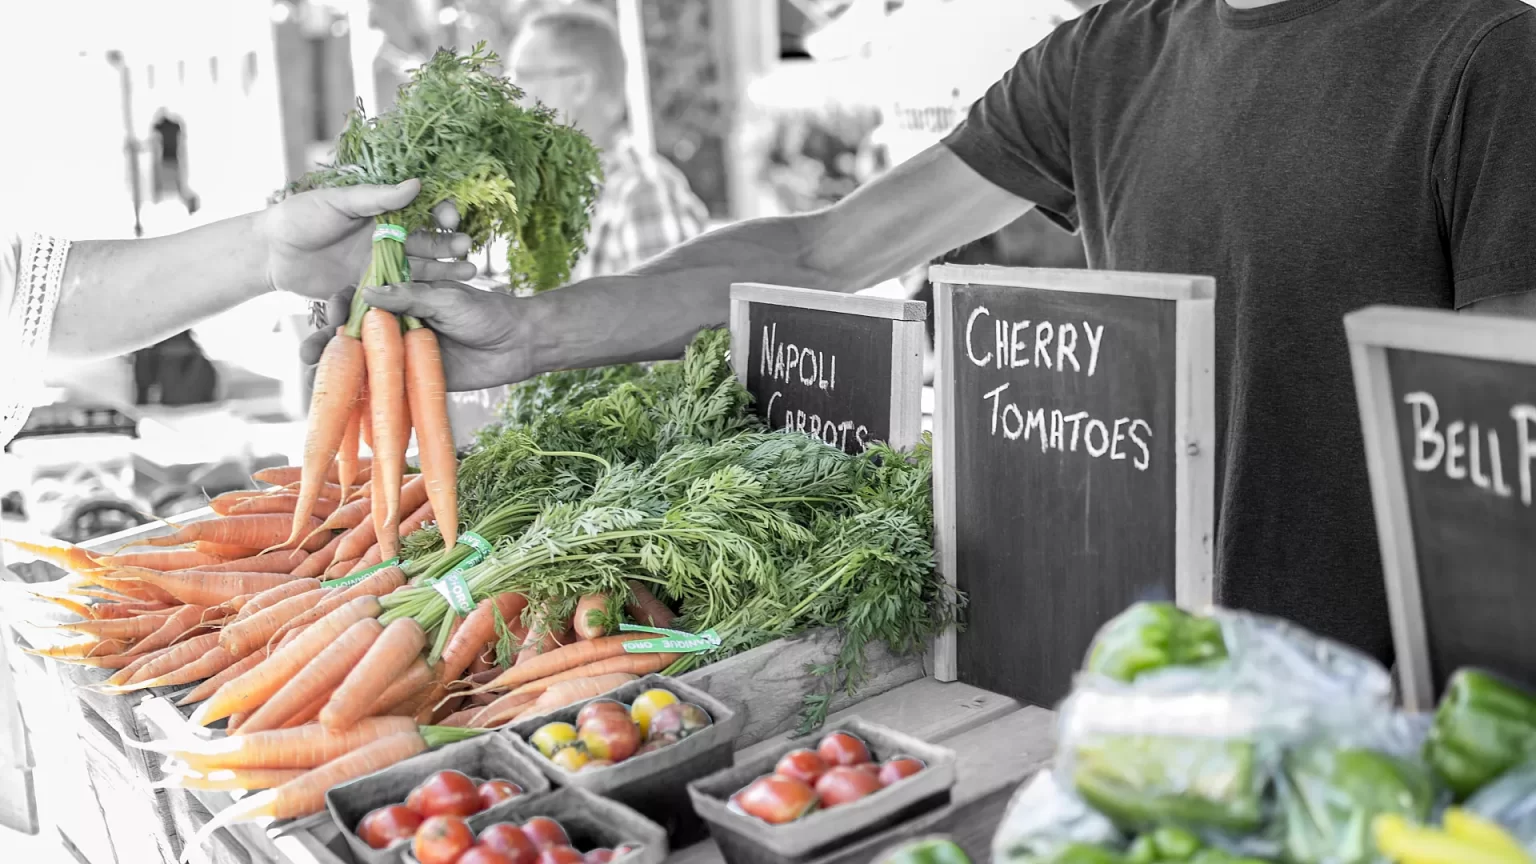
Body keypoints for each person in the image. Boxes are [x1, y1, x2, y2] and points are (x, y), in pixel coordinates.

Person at [316, 0, 1536, 664]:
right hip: (1158, 667)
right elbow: (824, 254)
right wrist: (526, 332)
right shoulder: (1108, 56)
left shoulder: (1483, 53)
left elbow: (1502, 451)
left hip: (1400, 697)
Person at [508, 3, 708, 279]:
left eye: (523, 76)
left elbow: (672, 304)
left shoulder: (641, 193)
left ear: (580, 86)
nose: (510, 93)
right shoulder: (552, 194)